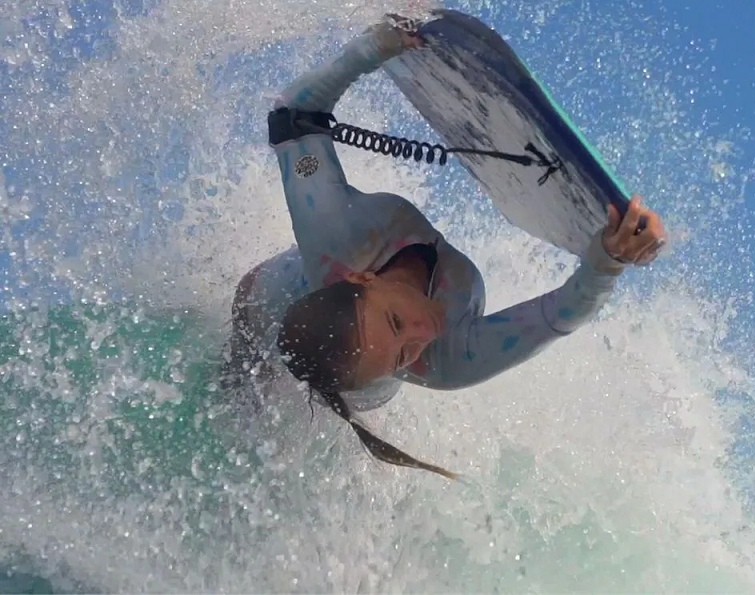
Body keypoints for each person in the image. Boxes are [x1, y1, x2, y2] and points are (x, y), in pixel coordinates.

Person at [227, 19, 667, 480]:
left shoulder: (333, 229)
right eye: (403, 355)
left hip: (295, 325)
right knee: (245, 400)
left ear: (363, 278)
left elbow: (292, 116)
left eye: (396, 321)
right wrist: (610, 261)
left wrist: (372, 50)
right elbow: (559, 315)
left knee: (293, 402)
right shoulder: (446, 361)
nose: (422, 332)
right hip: (303, 342)